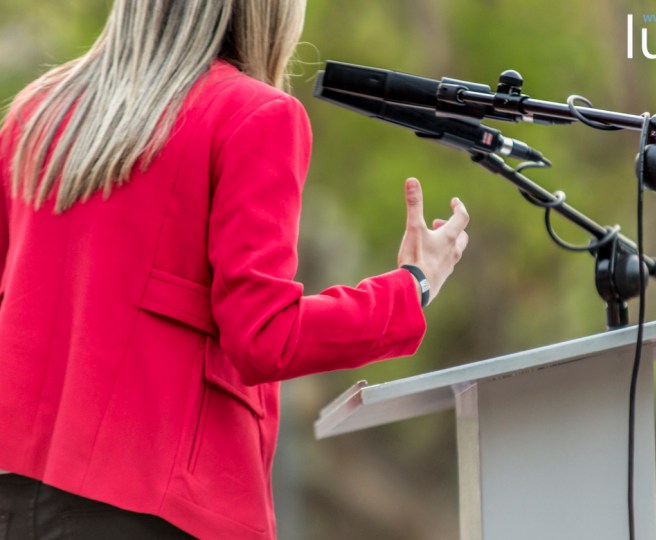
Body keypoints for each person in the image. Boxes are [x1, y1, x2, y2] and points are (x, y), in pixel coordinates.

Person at [0, 1, 469, 539]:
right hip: (153, 501)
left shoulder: (35, 114)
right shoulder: (255, 115)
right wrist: (411, 287)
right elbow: (263, 335)